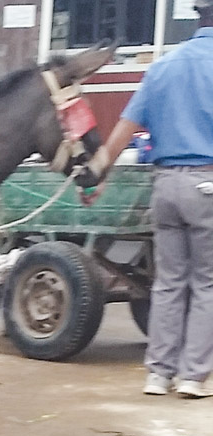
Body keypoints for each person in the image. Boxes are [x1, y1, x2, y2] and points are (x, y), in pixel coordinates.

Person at [84, 0, 213, 399]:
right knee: (207, 283)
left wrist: (95, 177)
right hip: (207, 185)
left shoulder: (163, 67)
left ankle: (158, 374)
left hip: (165, 185)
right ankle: (193, 377)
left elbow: (124, 130)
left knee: (170, 282)